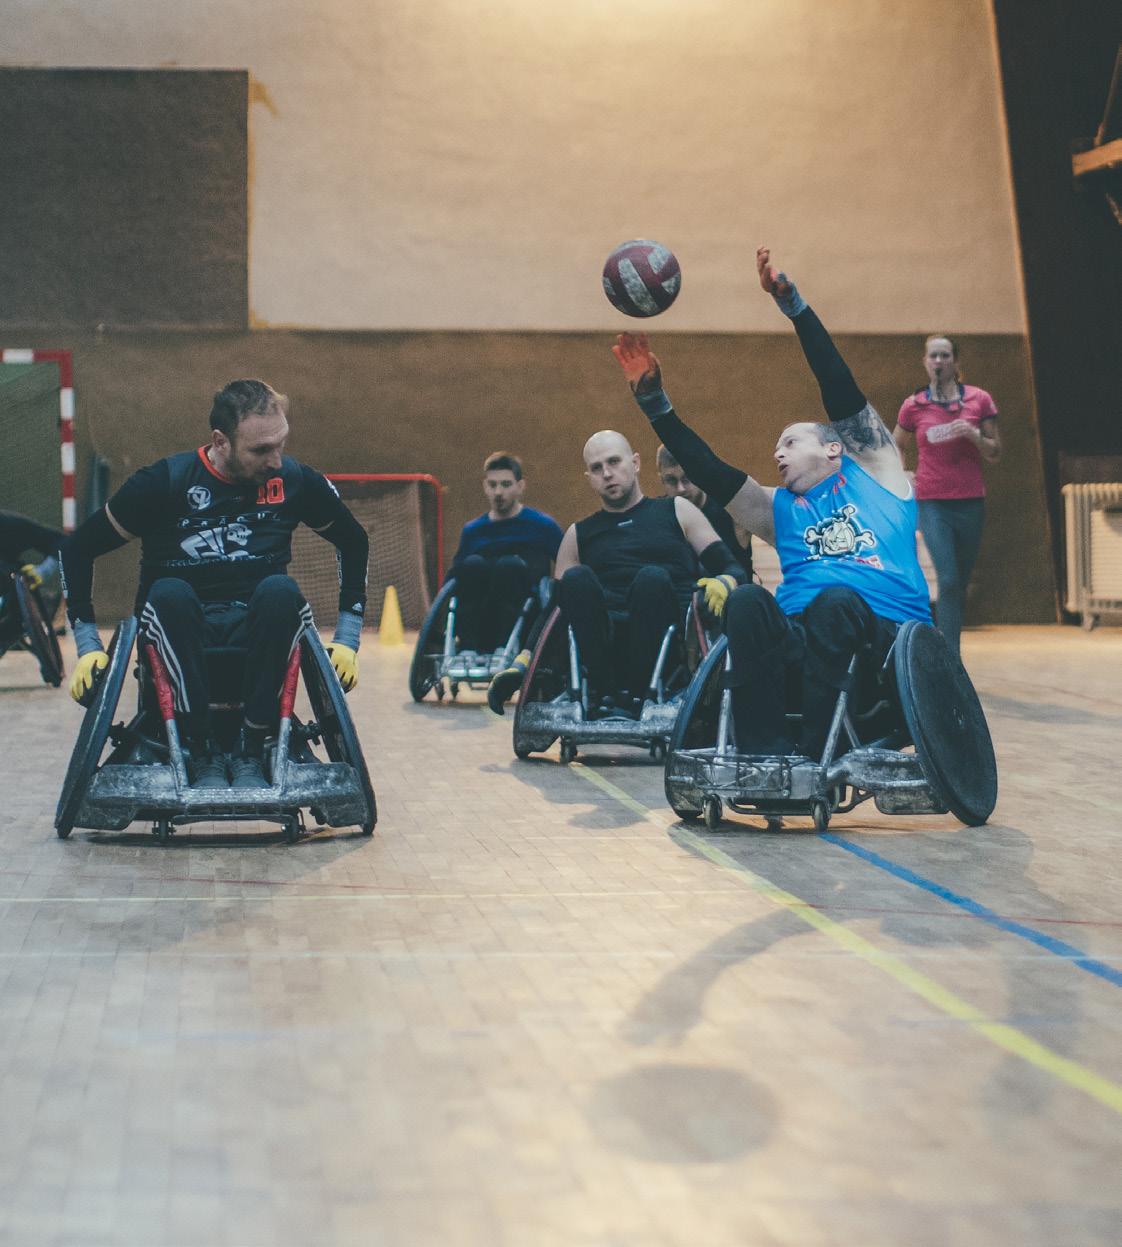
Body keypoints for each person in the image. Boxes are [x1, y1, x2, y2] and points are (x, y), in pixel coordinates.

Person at [613, 247, 932, 760]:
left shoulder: (877, 471)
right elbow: (710, 470)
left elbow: (838, 387)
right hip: (802, 642)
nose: (776, 453)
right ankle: (765, 755)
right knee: (746, 601)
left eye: (790, 442)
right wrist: (654, 402)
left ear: (833, 449)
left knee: (834, 603)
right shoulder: (777, 508)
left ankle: (813, 754)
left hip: (883, 641)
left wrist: (795, 308)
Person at [60, 380, 369, 788]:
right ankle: (199, 746)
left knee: (281, 592)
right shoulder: (163, 483)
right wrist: (87, 647)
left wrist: (347, 640)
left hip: (258, 631)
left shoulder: (292, 480)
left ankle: (252, 744)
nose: (276, 460)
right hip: (176, 632)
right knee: (169, 592)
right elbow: (76, 550)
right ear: (220, 442)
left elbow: (354, 540)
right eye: (261, 450)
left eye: (281, 444)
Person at [488, 429, 744, 714]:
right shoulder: (578, 534)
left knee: (651, 578)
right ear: (589, 478)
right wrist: (523, 663)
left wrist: (725, 581)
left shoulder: (677, 510)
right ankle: (606, 695)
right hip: (601, 649)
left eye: (614, 462)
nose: (607, 474)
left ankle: (635, 696)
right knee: (575, 579)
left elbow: (731, 566)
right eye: (597, 468)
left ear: (635, 463)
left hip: (666, 643)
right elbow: (554, 608)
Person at [893, 335, 1001, 658]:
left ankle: (949, 643)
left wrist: (975, 436)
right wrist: (903, 472)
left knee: (961, 581)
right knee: (949, 578)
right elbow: (896, 443)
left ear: (955, 361)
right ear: (925, 362)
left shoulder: (979, 400)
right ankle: (950, 656)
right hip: (932, 501)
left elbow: (995, 452)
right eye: (933, 356)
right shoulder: (915, 405)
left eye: (944, 355)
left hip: (970, 500)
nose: (938, 361)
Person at [449, 452, 564, 652]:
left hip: (526, 614)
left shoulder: (542, 526)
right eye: (492, 485)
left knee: (508, 566)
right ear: (485, 486)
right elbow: (453, 580)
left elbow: (567, 566)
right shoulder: (473, 531)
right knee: (472, 566)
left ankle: (507, 646)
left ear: (520, 486)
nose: (498, 492)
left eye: (506, 484)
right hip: (481, 617)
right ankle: (467, 648)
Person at [656, 445, 754, 579]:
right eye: (671, 480)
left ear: (700, 474)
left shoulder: (731, 510)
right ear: (661, 479)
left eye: (687, 478)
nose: (681, 488)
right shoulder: (656, 515)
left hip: (732, 589)